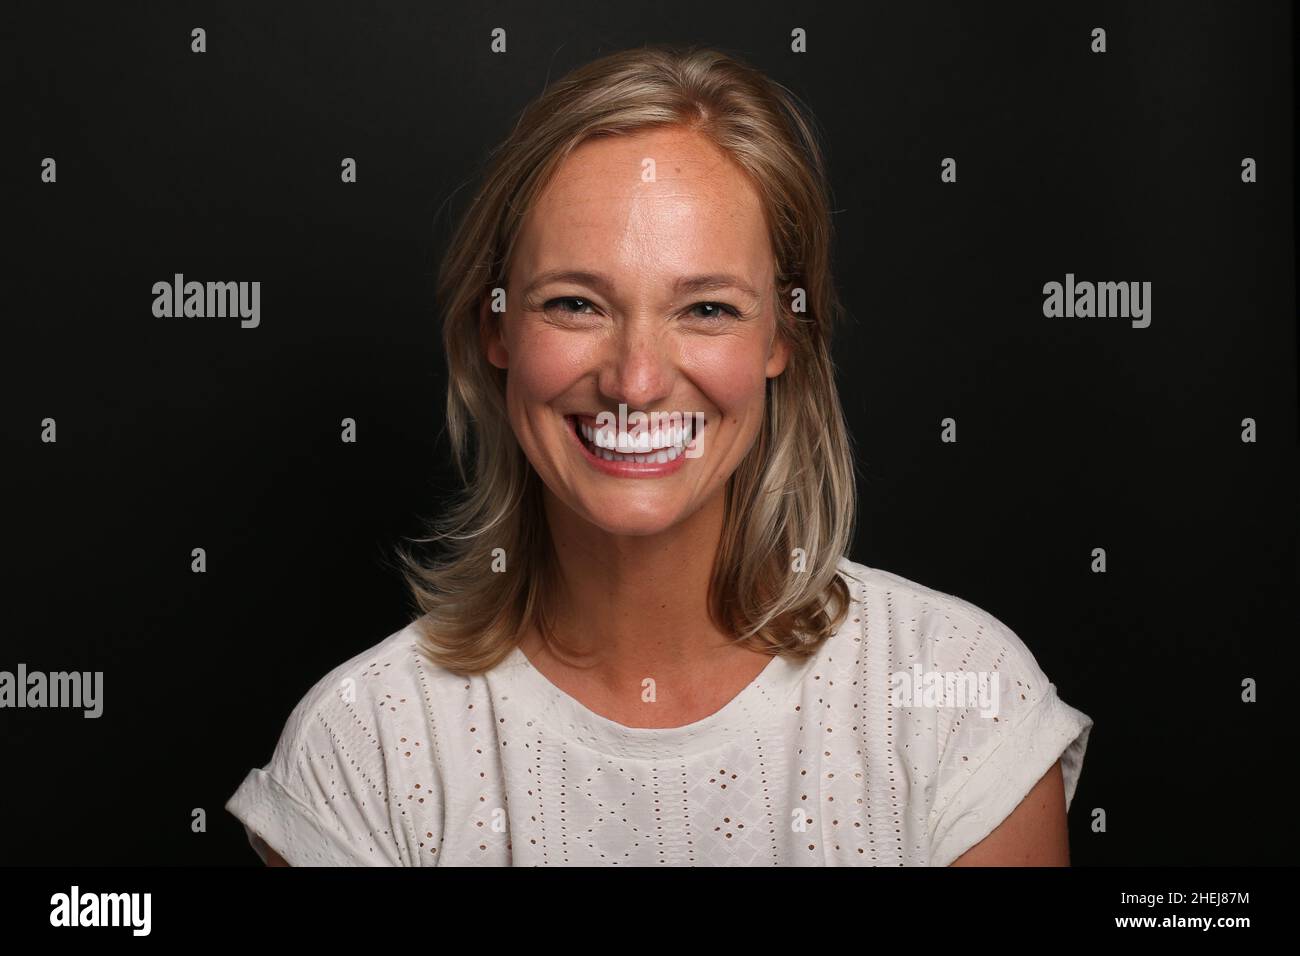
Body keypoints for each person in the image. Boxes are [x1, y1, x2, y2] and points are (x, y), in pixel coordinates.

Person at [226, 44, 1092, 866]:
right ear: (496, 329)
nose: (635, 382)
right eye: (574, 304)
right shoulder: (362, 747)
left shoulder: (958, 699)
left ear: (781, 336)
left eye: (707, 309)